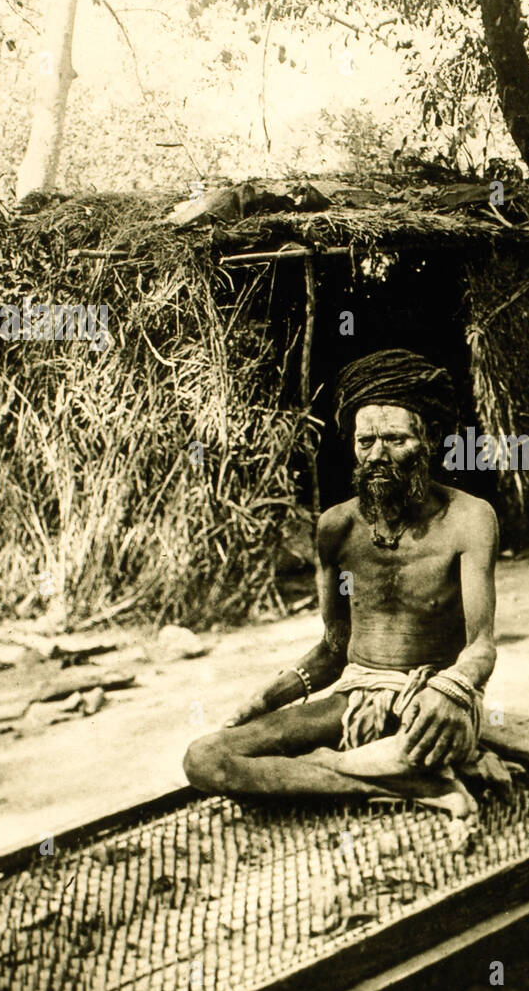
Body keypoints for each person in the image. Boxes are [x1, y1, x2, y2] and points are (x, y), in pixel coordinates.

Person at [183, 348, 500, 840]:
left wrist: (452, 692)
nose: (377, 455)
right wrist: (264, 699)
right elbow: (335, 646)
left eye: (394, 439)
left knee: (431, 736)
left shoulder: (469, 518)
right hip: (356, 697)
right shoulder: (336, 528)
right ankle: (398, 785)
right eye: (365, 440)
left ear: (429, 440)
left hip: (431, 703)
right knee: (206, 758)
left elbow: (480, 645)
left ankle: (372, 767)